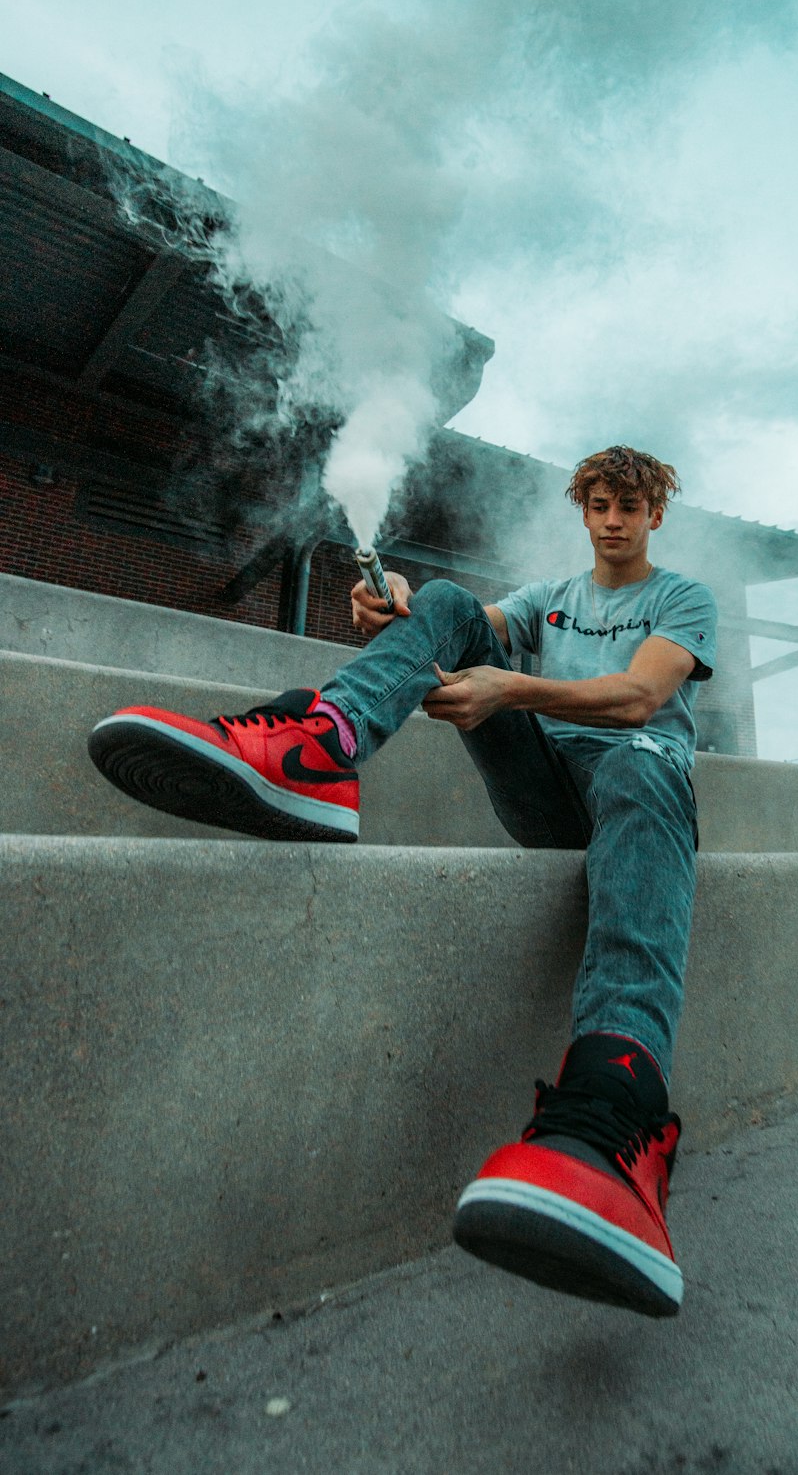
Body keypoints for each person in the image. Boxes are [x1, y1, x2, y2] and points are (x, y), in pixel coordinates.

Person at [88, 444, 718, 1318]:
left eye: (630, 507)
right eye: (600, 504)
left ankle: (617, 1122)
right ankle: (323, 744)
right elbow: (465, 630)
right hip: (548, 800)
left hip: (636, 795)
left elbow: (641, 697)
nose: (613, 520)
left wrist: (511, 690)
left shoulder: (680, 597)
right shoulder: (550, 602)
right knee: (450, 603)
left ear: (656, 516)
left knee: (648, 759)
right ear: (584, 510)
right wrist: (403, 616)